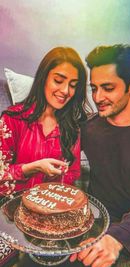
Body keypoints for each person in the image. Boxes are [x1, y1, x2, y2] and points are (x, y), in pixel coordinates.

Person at [70, 44, 130, 267]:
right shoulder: (87, 127)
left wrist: (116, 238)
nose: (98, 97)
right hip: (91, 228)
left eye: (108, 88)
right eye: (94, 88)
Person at [0, 47, 88, 197]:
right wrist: (32, 168)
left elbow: (72, 174)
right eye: (58, 80)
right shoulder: (12, 119)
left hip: (49, 211)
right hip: (10, 210)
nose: (66, 90)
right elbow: (1, 172)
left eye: (73, 85)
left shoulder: (72, 127)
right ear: (43, 78)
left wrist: (58, 179)